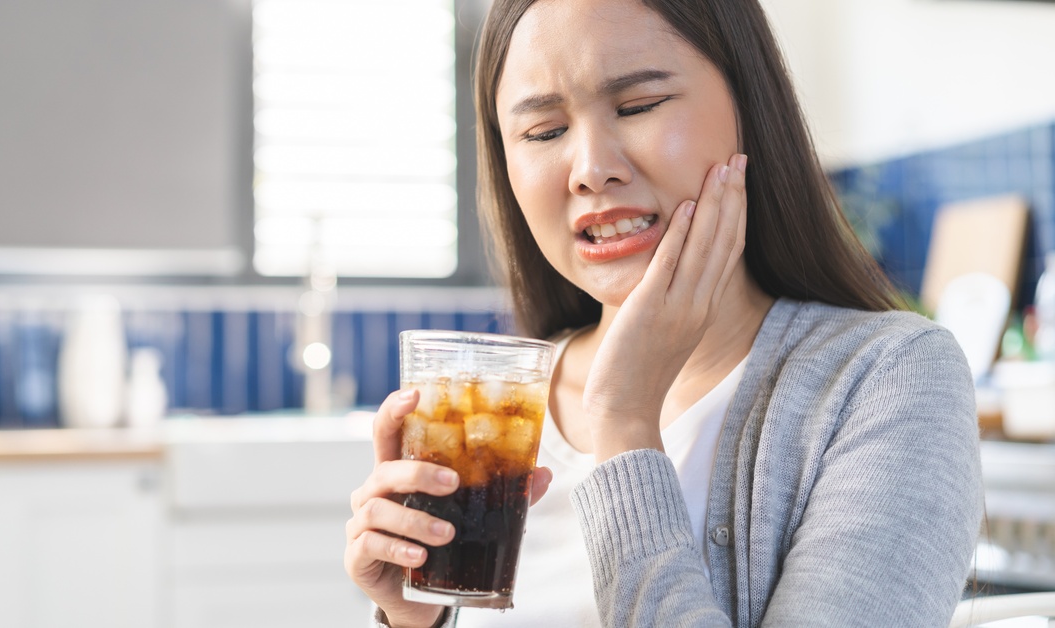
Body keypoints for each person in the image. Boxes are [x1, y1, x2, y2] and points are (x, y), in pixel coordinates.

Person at [345, 0, 983, 626]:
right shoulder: (496, 411)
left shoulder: (890, 378)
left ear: (748, 106)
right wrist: (415, 621)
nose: (591, 171)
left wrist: (624, 420)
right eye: (543, 133)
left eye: (638, 106)